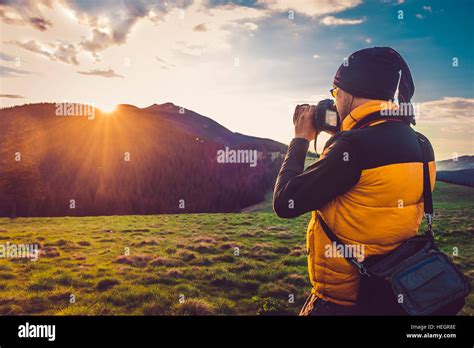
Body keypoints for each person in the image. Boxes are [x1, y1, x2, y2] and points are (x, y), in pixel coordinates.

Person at [273, 47, 436, 315]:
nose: (335, 100)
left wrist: (300, 139)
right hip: (394, 293)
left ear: (348, 93)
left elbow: (285, 203)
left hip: (342, 302)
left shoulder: (352, 148)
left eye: (335, 93)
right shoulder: (421, 143)